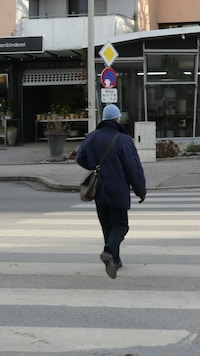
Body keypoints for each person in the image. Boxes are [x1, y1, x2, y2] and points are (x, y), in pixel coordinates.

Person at [76, 104, 146, 279]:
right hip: (118, 189)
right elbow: (133, 168)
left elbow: (80, 157)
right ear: (117, 119)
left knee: (107, 225)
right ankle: (109, 251)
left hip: (99, 189)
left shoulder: (92, 137)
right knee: (121, 225)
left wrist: (94, 167)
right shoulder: (123, 139)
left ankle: (115, 260)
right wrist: (140, 190)